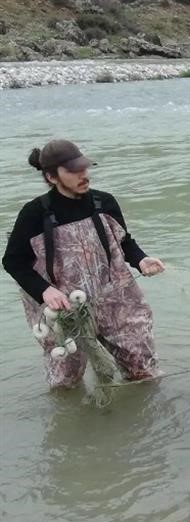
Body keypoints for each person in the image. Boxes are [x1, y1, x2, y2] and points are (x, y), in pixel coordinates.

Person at [2, 139, 165, 388]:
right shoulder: (33, 214)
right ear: (51, 176)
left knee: (143, 371)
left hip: (115, 300)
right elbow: (13, 262)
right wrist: (45, 290)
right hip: (65, 310)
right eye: (73, 171)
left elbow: (123, 242)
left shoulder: (105, 202)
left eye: (84, 168)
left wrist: (141, 259)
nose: (83, 175)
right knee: (65, 383)